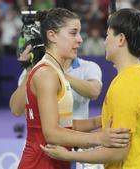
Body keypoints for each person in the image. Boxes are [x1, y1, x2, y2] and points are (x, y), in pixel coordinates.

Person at [9, 8, 130, 169]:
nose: (80, 39)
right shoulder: (46, 73)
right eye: (73, 33)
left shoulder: (54, 71)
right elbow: (51, 133)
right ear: (52, 36)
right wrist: (100, 138)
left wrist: (102, 120)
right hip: (40, 164)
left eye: (79, 33)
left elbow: (65, 125)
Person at [42, 8, 140, 169]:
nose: (105, 41)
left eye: (107, 35)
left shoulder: (125, 85)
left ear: (120, 39)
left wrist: (68, 155)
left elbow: (118, 151)